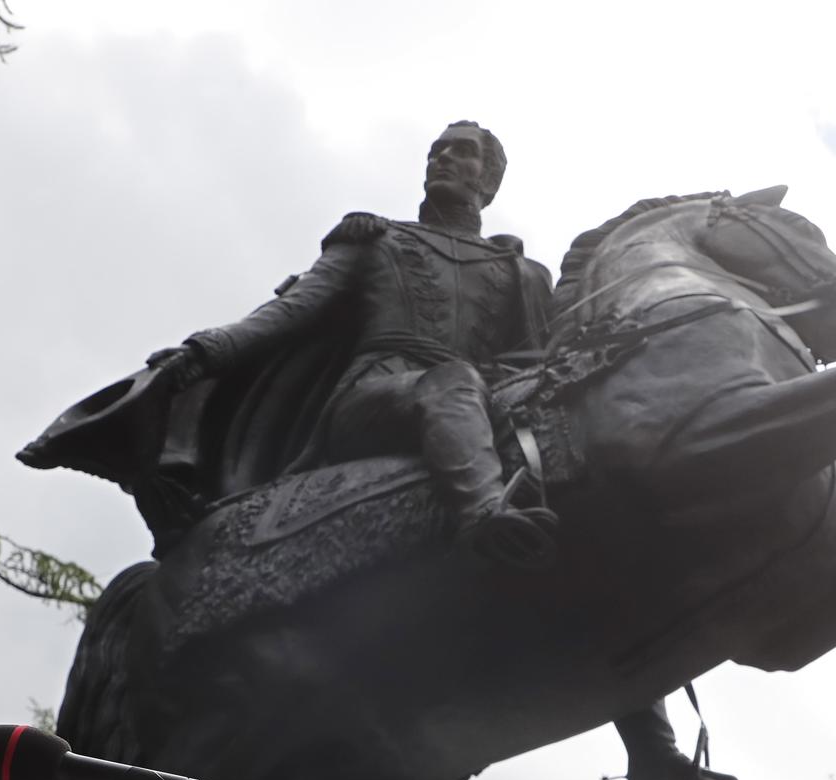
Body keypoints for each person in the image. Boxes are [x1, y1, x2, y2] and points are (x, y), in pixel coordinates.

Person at [147, 119, 560, 568]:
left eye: (461, 151)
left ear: (489, 180)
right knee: (452, 381)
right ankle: (484, 513)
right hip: (369, 400)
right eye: (436, 151)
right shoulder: (377, 239)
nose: (441, 158)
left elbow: (539, 365)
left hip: (477, 402)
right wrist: (207, 350)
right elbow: (293, 311)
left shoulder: (523, 273)